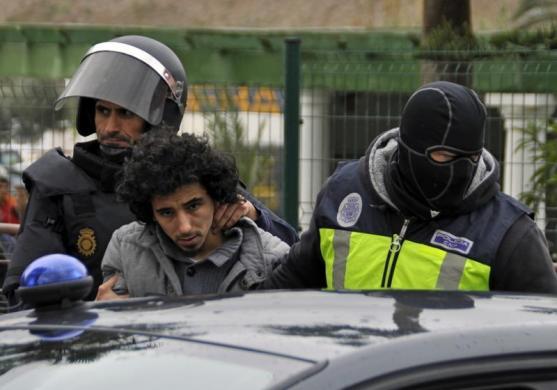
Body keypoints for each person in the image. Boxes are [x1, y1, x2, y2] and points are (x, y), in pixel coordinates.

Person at [2, 35, 297, 303]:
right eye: (103, 111)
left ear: (161, 116)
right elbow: (23, 295)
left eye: (126, 113)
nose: (110, 127)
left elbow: (289, 252)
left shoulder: (193, 173)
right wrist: (92, 312)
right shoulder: (57, 184)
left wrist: (252, 215)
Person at [263, 80, 557, 293]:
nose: (459, 170)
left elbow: (541, 333)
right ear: (408, 147)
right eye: (443, 156)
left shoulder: (508, 234)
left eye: (470, 158)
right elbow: (292, 283)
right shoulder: (343, 193)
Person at [96, 131, 289, 300]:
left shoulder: (272, 258)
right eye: (166, 212)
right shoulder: (126, 248)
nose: (184, 227)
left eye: (194, 206)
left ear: (215, 198)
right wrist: (108, 318)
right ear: (151, 213)